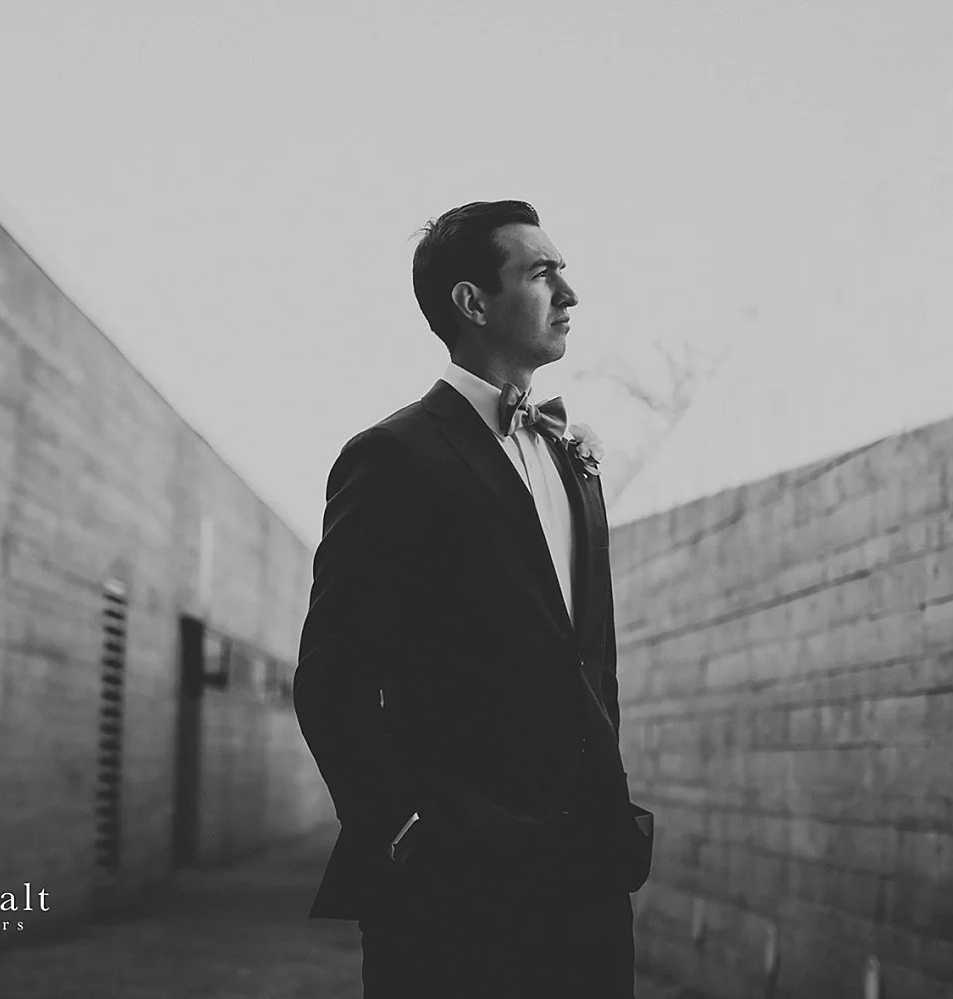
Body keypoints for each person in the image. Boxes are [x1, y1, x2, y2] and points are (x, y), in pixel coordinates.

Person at [293, 200, 652, 998]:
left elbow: (590, 664)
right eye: (541, 271)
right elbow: (331, 680)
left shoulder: (572, 460)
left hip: (590, 883)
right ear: (472, 301)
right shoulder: (392, 457)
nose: (569, 293)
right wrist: (408, 836)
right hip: (451, 899)